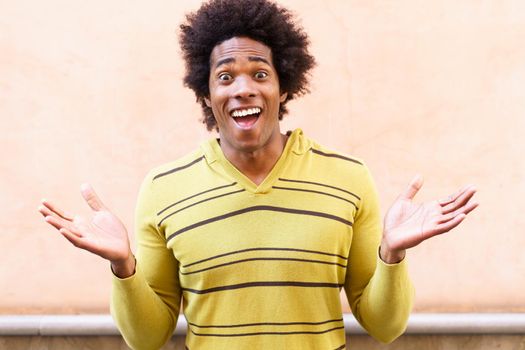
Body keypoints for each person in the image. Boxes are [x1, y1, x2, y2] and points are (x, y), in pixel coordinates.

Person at [38, 0, 478, 349]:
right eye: (225, 76)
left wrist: (392, 256)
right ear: (207, 95)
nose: (243, 88)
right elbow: (147, 338)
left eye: (259, 74)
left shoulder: (348, 178)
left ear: (283, 86)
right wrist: (123, 266)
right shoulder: (163, 189)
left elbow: (385, 327)